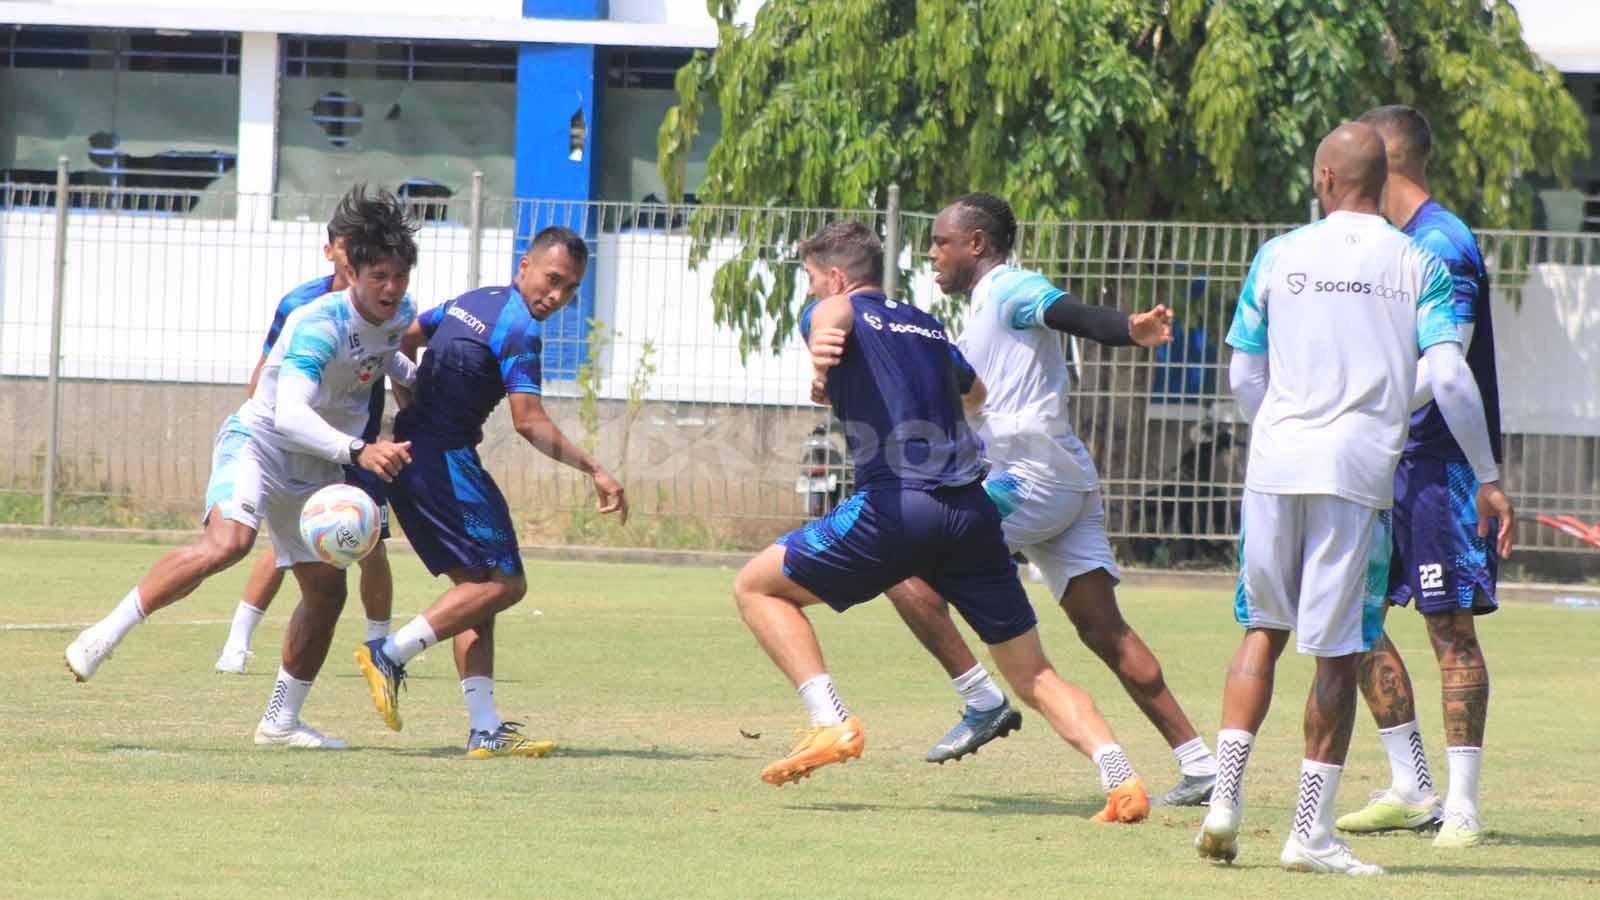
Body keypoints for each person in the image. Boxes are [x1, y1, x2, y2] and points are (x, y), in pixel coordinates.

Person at [812, 192, 1220, 807]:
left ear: (976, 244)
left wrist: (1127, 330)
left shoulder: (1009, 288)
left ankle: (981, 700)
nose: (932, 255)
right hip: (1062, 478)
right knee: (1104, 630)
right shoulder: (975, 308)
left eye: (942, 244)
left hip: (1028, 478)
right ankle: (1199, 762)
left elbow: (1065, 312)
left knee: (900, 552)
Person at [735, 219, 1150, 824]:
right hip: (969, 512)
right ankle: (1120, 778)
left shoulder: (831, 309)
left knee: (755, 585)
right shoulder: (926, 324)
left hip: (897, 506)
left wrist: (824, 352)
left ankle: (830, 722)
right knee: (1034, 674)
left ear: (834, 277)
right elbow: (975, 391)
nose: (809, 295)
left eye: (810, 281)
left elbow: (834, 319)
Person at [1194, 123, 1513, 875]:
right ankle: (1309, 833)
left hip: (1274, 465)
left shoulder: (1278, 253)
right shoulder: (1417, 261)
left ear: (1327, 178)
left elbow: (1243, 375)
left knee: (1260, 632)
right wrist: (1489, 477)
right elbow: (1452, 376)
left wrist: (1279, 426)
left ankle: (1224, 803)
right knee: (1337, 652)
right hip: (1356, 473)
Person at [64, 185, 420, 750]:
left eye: (400, 276)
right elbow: (289, 412)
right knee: (228, 543)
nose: (392, 288)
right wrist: (359, 451)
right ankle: (103, 635)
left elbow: (383, 355)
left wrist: (416, 387)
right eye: (380, 275)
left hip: (316, 468)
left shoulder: (400, 314)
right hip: (260, 443)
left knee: (327, 594)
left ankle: (280, 722)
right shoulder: (316, 322)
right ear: (351, 269)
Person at [353, 226, 628, 758]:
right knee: (506, 584)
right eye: (552, 280)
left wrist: (411, 403)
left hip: (413, 455)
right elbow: (530, 423)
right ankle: (389, 653)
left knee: (475, 589)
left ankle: (485, 729)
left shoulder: (473, 300)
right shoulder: (521, 329)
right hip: (446, 462)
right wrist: (595, 468)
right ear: (524, 265)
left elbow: (409, 336)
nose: (557, 296)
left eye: (569, 289)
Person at [1333, 105, 1506, 849]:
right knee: (1353, 619)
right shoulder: (1391, 244)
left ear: (1383, 160)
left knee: (1450, 629)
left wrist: (1347, 405)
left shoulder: (1442, 242)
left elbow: (1443, 370)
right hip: (1380, 461)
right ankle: (1411, 787)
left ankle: (1462, 807)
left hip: (1440, 467)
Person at [215, 221, 396, 674]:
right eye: (341, 247)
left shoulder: (386, 302)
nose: (346, 255)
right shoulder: (306, 306)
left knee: (371, 544)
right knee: (288, 545)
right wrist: (263, 421)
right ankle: (237, 642)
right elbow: (269, 366)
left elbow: (396, 352)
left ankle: (380, 651)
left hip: (361, 440)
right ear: (334, 252)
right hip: (309, 441)